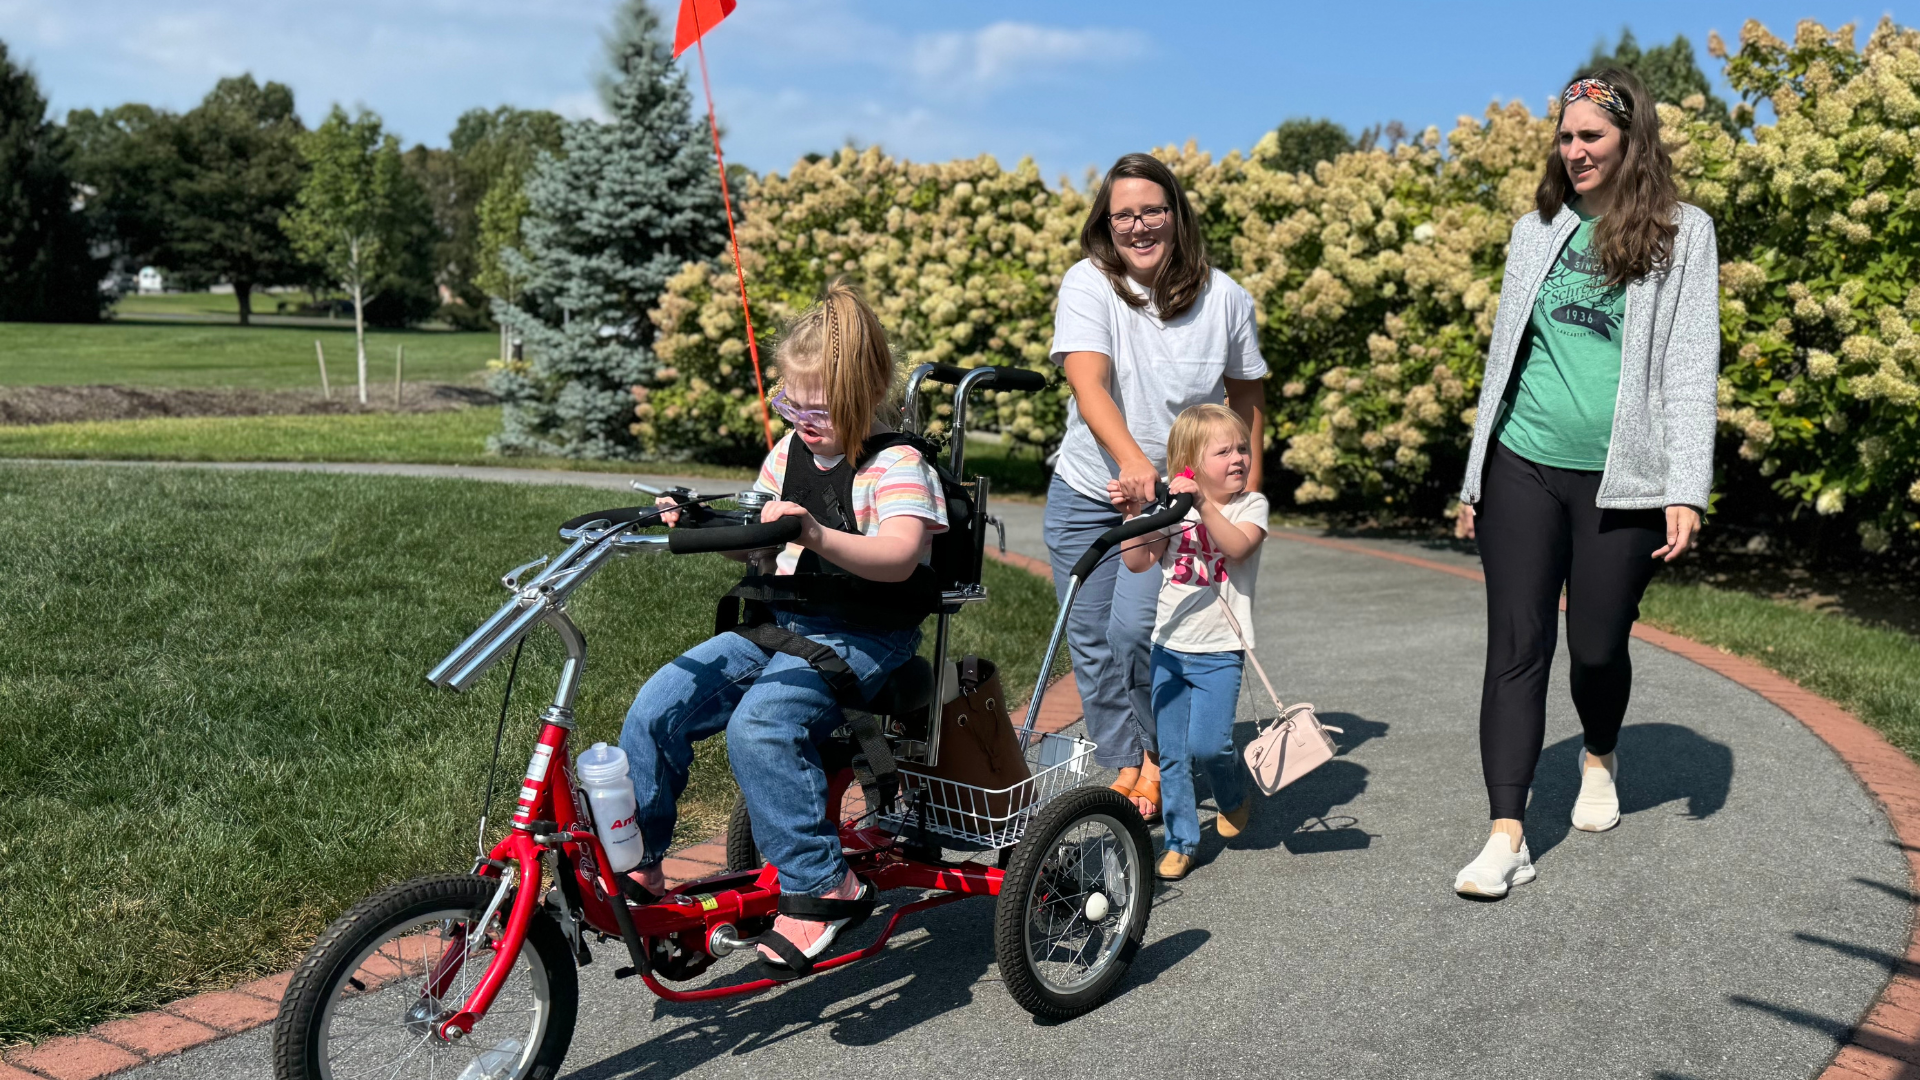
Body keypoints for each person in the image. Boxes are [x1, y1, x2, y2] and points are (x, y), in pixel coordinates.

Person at [618, 280, 949, 970]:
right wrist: (705, 523)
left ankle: (825, 884)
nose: (798, 415)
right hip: (783, 623)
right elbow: (757, 542)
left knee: (761, 725)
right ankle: (642, 864)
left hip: (865, 634)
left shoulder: (897, 465)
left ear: (862, 394)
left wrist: (817, 533)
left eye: (815, 405)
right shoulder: (786, 457)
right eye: (787, 401)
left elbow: (897, 557)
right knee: (657, 706)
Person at [1451, 69, 1719, 898]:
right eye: (1565, 138)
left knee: (1597, 646)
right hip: (1522, 463)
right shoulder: (1538, 228)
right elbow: (1505, 358)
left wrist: (1686, 485)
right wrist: (1473, 478)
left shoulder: (1684, 233)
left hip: (1623, 482)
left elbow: (1688, 367)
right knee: (1517, 645)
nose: (1574, 152)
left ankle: (1599, 751)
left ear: (1630, 140)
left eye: (1590, 137)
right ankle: (1506, 835)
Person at [1046, 151, 1268, 818]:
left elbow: (1248, 393)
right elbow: (1088, 382)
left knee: (1137, 633)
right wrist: (1130, 462)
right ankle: (1131, 763)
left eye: (1151, 211)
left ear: (1176, 215)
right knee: (1088, 636)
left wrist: (1243, 486)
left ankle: (1160, 756)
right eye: (1123, 216)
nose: (1137, 226)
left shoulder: (1225, 299)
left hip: (1168, 501)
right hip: (1090, 486)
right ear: (1105, 224)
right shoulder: (1089, 284)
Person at [1119, 404, 1269, 881]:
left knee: (1211, 746)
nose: (1238, 458)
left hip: (1221, 651)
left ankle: (1232, 795)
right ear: (1190, 463)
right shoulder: (1171, 511)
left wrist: (1202, 505)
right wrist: (1135, 516)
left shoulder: (1251, 506)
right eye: (1223, 451)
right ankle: (1182, 840)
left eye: (1241, 448)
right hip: (1169, 647)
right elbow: (1139, 563)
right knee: (1174, 752)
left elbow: (1238, 546)